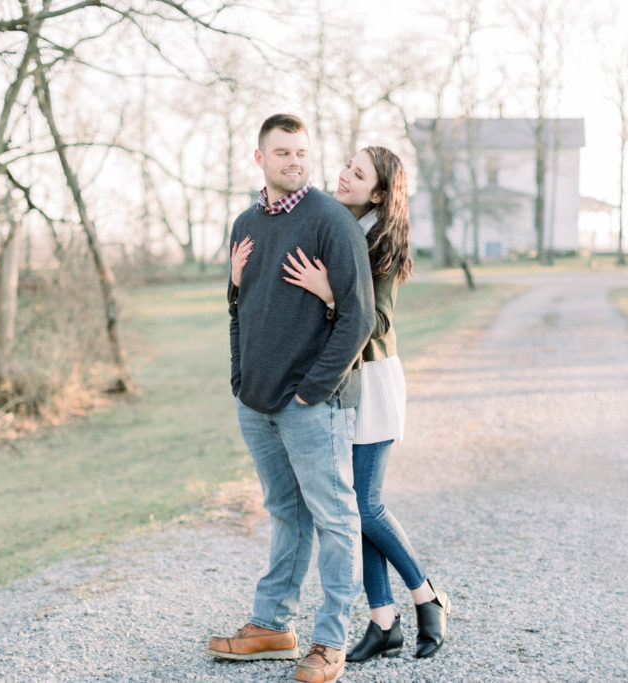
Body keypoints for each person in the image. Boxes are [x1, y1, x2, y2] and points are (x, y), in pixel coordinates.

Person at [208, 114, 375, 683]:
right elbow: (239, 305)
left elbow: (359, 319)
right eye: (281, 153)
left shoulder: (330, 220)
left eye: (301, 152)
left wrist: (312, 392)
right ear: (261, 159)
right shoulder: (244, 223)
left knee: (334, 518)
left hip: (312, 406)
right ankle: (272, 625)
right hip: (255, 404)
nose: (294, 161)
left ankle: (331, 643)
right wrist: (239, 381)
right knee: (284, 512)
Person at [278, 146, 450, 662]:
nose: (343, 176)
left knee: (364, 505)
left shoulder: (378, 241)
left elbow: (374, 321)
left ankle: (427, 594)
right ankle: (384, 622)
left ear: (378, 193)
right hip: (347, 381)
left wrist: (329, 293)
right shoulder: (343, 227)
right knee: (355, 508)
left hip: (373, 380)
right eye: (346, 167)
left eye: (358, 174)